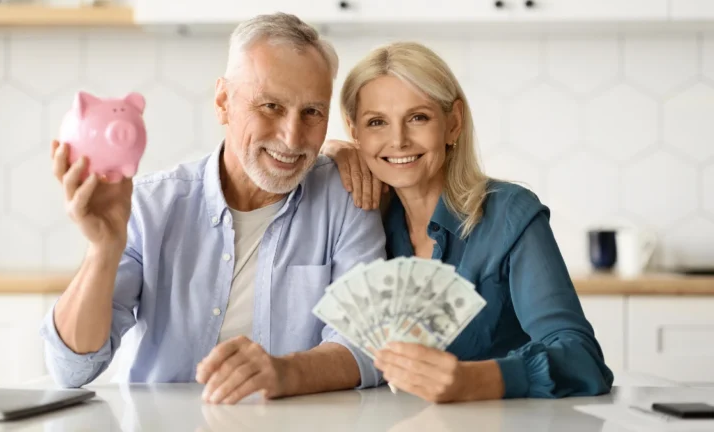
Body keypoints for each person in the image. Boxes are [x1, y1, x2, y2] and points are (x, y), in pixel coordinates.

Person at [39, 13, 387, 405]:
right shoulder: (153, 206)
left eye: (312, 112)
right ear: (223, 102)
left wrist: (285, 371)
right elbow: (72, 369)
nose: (292, 138)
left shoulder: (347, 201)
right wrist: (103, 249)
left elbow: (368, 344)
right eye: (270, 106)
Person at [322, 41, 614, 403]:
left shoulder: (509, 215)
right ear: (355, 133)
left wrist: (476, 380)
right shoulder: (356, 221)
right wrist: (327, 154)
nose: (398, 140)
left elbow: (582, 358)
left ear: (453, 123)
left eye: (418, 117)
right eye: (376, 122)